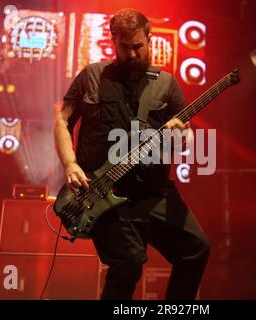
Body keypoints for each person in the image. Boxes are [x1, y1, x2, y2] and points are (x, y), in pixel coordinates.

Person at [54, 8, 210, 300]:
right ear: (113, 42)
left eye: (137, 46)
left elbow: (185, 140)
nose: (132, 54)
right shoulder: (92, 76)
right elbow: (62, 120)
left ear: (149, 39)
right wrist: (70, 163)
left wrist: (180, 138)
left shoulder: (166, 85)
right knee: (128, 264)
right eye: (124, 47)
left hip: (154, 191)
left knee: (196, 248)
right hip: (104, 193)